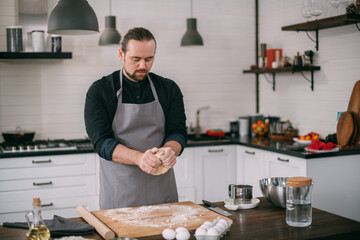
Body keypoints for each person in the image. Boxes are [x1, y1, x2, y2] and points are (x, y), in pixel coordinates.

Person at [84, 27, 187, 210]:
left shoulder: (168, 89)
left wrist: (171, 150)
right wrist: (140, 158)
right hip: (120, 194)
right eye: (136, 59)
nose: (142, 66)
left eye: (149, 59)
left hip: (162, 192)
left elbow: (177, 132)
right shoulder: (100, 91)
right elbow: (101, 142)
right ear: (121, 54)